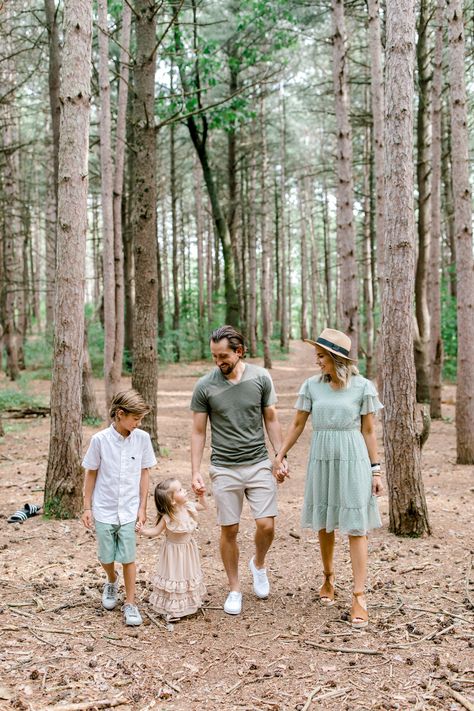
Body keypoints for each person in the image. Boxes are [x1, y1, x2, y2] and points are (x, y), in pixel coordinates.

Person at [274, 328, 383, 628]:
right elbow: (297, 424)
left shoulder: (362, 387)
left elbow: (369, 431)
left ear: (336, 358)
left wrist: (376, 470)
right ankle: (328, 578)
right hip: (322, 457)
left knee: (356, 525)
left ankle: (359, 595)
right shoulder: (312, 386)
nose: (316, 361)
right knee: (325, 522)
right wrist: (280, 454)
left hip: (353, 457)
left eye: (321, 356)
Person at [190, 325, 288, 616]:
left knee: (266, 525)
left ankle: (258, 563)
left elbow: (271, 418)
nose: (218, 361)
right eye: (214, 356)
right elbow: (198, 431)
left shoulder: (260, 377)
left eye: (223, 356)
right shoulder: (205, 386)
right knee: (229, 529)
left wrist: (279, 456)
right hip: (224, 467)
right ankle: (234, 588)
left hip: (258, 462)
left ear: (239, 352)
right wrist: (196, 470)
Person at [81, 389, 157, 626]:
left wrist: (142, 508)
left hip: (129, 509)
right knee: (106, 555)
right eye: (135, 419)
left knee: (128, 557)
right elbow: (91, 474)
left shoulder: (142, 439)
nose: (139, 423)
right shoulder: (99, 440)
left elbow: (145, 474)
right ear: (120, 414)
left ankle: (131, 603)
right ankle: (111, 580)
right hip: (104, 508)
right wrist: (87, 507)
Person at [138, 478, 207, 621]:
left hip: (188, 550)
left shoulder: (188, 507)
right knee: (174, 576)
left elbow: (203, 506)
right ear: (173, 501)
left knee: (187, 574)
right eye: (180, 490)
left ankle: (188, 604)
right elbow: (156, 531)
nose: (185, 490)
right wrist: (143, 531)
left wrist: (201, 496)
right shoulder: (168, 517)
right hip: (173, 553)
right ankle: (173, 609)